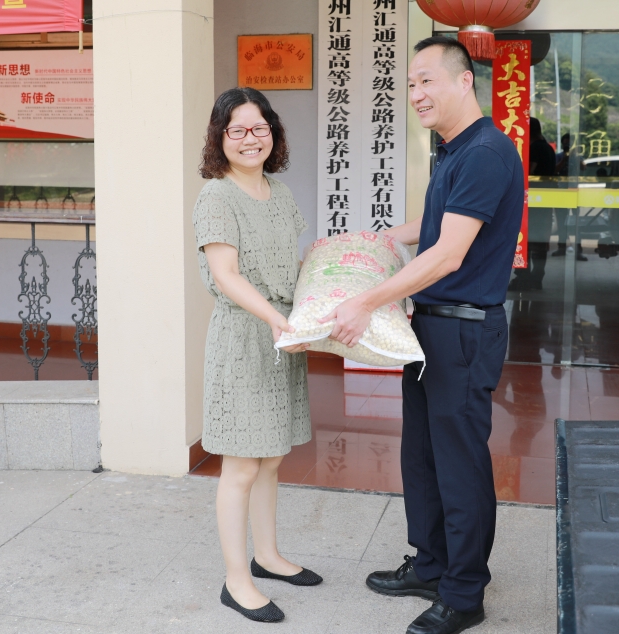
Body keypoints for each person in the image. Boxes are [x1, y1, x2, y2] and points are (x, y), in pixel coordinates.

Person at [319, 37, 523, 634]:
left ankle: (464, 593)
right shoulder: (454, 151)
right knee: (424, 457)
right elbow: (435, 228)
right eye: (410, 84)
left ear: (464, 81)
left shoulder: (485, 152)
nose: (415, 94)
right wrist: (373, 241)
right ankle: (432, 565)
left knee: (459, 465)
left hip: (463, 332)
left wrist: (365, 301)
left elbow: (448, 254)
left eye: (426, 80)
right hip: (431, 328)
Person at [193, 87, 321, 624]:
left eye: (260, 128)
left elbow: (292, 264)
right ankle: (235, 580)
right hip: (245, 340)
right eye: (238, 130)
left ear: (274, 132)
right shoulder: (216, 197)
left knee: (271, 457)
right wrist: (274, 318)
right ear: (220, 138)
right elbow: (226, 275)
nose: (251, 139)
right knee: (242, 466)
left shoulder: (280, 191)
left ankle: (266, 556)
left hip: (282, 335)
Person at [509, 118, 556, 290]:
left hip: (534, 201)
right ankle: (537, 277)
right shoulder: (548, 148)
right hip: (545, 201)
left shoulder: (535, 148)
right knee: (540, 240)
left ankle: (524, 277)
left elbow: (529, 172)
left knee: (528, 240)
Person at [552, 132, 587, 260]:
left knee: (577, 222)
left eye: (569, 144)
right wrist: (564, 159)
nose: (567, 147)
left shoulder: (578, 156)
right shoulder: (558, 156)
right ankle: (561, 247)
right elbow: (554, 170)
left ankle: (579, 250)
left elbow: (584, 168)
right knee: (561, 221)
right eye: (565, 144)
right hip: (561, 192)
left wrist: (575, 156)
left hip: (574, 192)